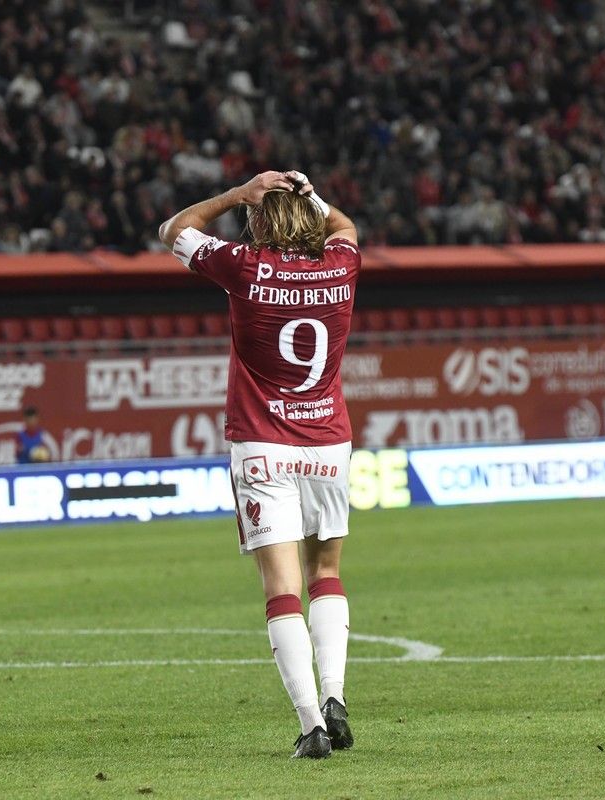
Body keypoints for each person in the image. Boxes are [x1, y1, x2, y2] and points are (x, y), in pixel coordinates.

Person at [158, 170, 360, 759]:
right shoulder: (341, 266)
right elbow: (345, 225)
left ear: (259, 222)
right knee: (326, 572)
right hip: (327, 441)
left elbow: (174, 229)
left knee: (281, 586)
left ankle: (310, 726)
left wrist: (236, 194)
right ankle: (336, 695)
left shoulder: (245, 268)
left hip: (263, 442)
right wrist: (310, 193)